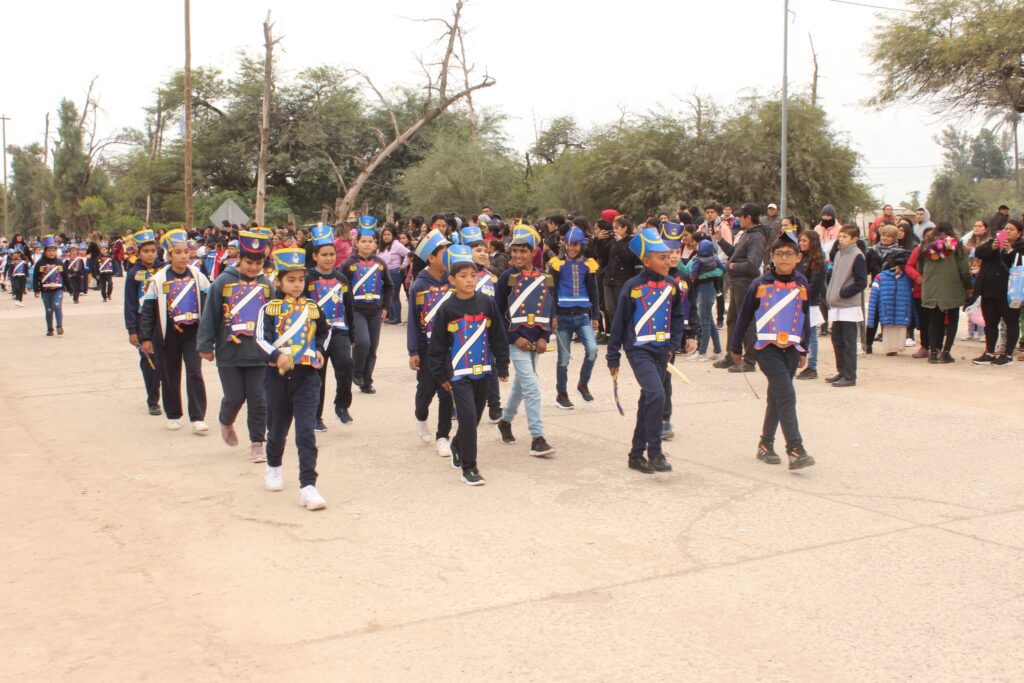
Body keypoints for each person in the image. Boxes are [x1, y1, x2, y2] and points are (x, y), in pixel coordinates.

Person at [606, 227, 693, 474]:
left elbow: (677, 316)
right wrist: (613, 354)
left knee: (648, 400)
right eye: (662, 258)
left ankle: (636, 455)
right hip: (638, 350)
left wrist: (673, 345)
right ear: (646, 261)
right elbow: (619, 322)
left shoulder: (672, 286)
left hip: (662, 350)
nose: (668, 261)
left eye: (669, 256)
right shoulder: (632, 286)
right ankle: (655, 452)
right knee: (656, 395)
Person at [730, 235, 815, 470]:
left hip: (792, 349)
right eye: (779, 254)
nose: (784, 258)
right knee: (787, 395)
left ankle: (765, 444)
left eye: (789, 254)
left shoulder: (802, 283)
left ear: (798, 257)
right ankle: (795, 449)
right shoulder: (759, 284)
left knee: (777, 398)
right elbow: (743, 316)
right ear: (772, 257)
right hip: (767, 349)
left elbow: (805, 317)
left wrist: (804, 348)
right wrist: (735, 346)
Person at [427, 246, 511, 486]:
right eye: (463, 276)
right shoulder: (447, 308)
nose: (469, 280)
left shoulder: (487, 303)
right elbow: (438, 346)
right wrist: (441, 375)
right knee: (467, 416)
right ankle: (469, 467)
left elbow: (498, 336)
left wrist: (502, 365)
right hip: (458, 374)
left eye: (473, 275)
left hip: (483, 371)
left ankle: (456, 444)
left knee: (473, 418)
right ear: (452, 280)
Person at [255, 247, 330, 511]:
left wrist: (319, 351)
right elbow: (260, 339)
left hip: (307, 376)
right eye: (291, 280)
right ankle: (274, 465)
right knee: (277, 429)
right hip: (277, 377)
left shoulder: (313, 307)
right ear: (278, 282)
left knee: (306, 431)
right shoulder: (269, 309)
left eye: (300, 279)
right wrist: (277, 355)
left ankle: (308, 486)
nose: (297, 285)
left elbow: (325, 333)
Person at [197, 230, 274, 462]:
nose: (253, 267)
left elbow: (275, 319)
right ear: (239, 258)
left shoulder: (267, 286)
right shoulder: (223, 281)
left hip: (258, 353)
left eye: (258, 263)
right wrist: (205, 344)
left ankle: (257, 442)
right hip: (229, 351)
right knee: (234, 397)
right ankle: (226, 420)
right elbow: (210, 314)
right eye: (249, 262)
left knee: (259, 400)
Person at [139, 229, 211, 433]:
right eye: (178, 252)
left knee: (194, 372)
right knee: (170, 374)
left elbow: (208, 304)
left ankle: (198, 417)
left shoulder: (198, 276)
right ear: (169, 255)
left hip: (192, 333)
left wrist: (209, 334)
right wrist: (145, 338)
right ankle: (173, 415)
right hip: (167, 334)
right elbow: (148, 311)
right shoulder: (158, 279)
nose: (183, 256)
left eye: (186, 252)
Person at [495, 225, 556, 457]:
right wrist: (514, 338)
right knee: (531, 386)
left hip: (536, 340)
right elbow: (498, 313)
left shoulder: (546, 278)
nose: (518, 255)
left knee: (521, 385)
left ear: (533, 253)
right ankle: (537, 438)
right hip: (515, 341)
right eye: (515, 251)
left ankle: (505, 421)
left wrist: (544, 337)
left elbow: (549, 309)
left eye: (523, 251)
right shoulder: (506, 278)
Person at [407, 228, 456, 456]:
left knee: (447, 392)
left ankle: (443, 436)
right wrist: (413, 350)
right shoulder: (419, 285)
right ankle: (421, 417)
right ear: (431, 257)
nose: (449, 256)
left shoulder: (454, 280)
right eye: (444, 253)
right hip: (427, 350)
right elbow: (413, 321)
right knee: (426, 391)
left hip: (451, 348)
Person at [306, 224, 355, 428]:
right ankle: (316, 416)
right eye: (324, 254)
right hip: (315, 334)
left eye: (332, 254)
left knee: (346, 365)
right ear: (315, 256)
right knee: (317, 375)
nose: (328, 258)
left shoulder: (341, 279)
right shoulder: (307, 278)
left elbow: (349, 307)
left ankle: (342, 405)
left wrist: (352, 334)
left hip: (338, 331)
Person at [714, 203, 772, 372]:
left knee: (746, 321)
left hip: (746, 284)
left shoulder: (757, 237)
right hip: (737, 283)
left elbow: (752, 265)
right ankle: (732, 355)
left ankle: (750, 360)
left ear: (749, 218)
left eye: (741, 216)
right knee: (733, 319)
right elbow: (735, 253)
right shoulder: (747, 234)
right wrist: (721, 241)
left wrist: (732, 266)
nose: (738, 219)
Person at [547, 225, 600, 409]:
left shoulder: (588, 264)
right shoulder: (557, 264)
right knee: (563, 358)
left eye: (575, 245)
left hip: (582, 315)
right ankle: (561, 394)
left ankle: (583, 383)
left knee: (593, 350)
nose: (571, 248)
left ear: (581, 245)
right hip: (562, 317)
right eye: (569, 244)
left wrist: (595, 316)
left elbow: (594, 292)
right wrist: (552, 315)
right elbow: (551, 291)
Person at [341, 216, 393, 395]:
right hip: (357, 310)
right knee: (362, 342)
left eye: (370, 241)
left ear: (375, 243)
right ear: (356, 243)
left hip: (375, 311)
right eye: (363, 241)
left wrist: (385, 307)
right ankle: (356, 372)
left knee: (372, 347)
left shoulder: (380, 263)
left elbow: (389, 286)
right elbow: (341, 287)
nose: (367, 244)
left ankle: (367, 380)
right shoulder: (348, 264)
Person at [461, 223, 504, 422]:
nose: (483, 254)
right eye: (478, 250)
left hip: (487, 330)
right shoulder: (458, 277)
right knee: (462, 367)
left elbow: (499, 305)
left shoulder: (492, 277)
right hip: (463, 330)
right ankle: (460, 403)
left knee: (491, 367)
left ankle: (494, 405)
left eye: (485, 250)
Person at [971, 219, 1024, 366]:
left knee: (1011, 322)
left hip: (1009, 293)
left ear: (1019, 233)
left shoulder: (1021, 247)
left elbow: (1020, 263)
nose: (1007, 232)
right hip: (989, 290)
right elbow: (979, 252)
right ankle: (989, 353)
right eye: (1006, 229)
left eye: (1011, 229)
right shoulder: (993, 242)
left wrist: (1010, 250)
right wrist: (993, 247)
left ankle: (1007, 355)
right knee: (990, 323)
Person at [124, 229, 164, 415]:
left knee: (166, 363)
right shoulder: (134, 273)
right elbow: (130, 303)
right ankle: (153, 400)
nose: (150, 254)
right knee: (149, 363)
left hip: (164, 322)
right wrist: (132, 330)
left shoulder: (165, 270)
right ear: (138, 253)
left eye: (153, 251)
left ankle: (169, 396)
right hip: (144, 325)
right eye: (146, 251)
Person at [918, 223, 970, 364]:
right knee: (952, 320)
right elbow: (964, 269)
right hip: (951, 287)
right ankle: (946, 353)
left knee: (934, 321)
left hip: (931, 288)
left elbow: (920, 267)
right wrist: (968, 285)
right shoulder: (955, 244)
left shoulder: (926, 245)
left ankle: (933, 353)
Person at [825, 224, 868, 387]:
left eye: (845, 237)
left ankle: (850, 376)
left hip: (848, 305)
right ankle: (841, 371)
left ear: (854, 239)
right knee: (837, 339)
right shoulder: (838, 254)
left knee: (849, 341)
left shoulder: (857, 255)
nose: (841, 239)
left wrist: (844, 292)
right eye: (840, 236)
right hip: (837, 304)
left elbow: (861, 282)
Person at [866, 248, 913, 356]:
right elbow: (873, 301)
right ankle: (869, 344)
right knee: (879, 320)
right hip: (885, 307)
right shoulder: (881, 277)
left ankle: (892, 347)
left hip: (897, 308)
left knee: (896, 327)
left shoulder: (907, 278)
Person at [684, 237, 725, 360]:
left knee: (704, 322)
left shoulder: (697, 260)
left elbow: (692, 274)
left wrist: (693, 279)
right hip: (711, 289)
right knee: (709, 321)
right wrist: (714, 272)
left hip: (703, 290)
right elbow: (724, 269)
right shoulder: (715, 257)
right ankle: (718, 351)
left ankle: (702, 352)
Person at [795, 230, 826, 379]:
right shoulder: (800, 257)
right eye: (800, 240)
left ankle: (812, 366)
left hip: (810, 302)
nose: (801, 243)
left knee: (811, 334)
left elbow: (816, 284)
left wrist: (803, 294)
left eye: (804, 241)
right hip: (797, 299)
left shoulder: (817, 260)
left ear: (812, 242)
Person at [32, 235, 69, 337]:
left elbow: (65, 276)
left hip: (58, 289)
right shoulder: (40, 263)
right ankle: (50, 329)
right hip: (45, 290)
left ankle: (59, 326)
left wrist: (70, 288)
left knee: (57, 306)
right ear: (45, 252)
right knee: (48, 310)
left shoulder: (59, 263)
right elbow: (36, 277)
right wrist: (36, 289)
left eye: (53, 251)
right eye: (49, 251)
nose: (51, 253)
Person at [378, 225, 410, 324]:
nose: (386, 236)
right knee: (387, 295)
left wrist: (404, 265)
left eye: (389, 234)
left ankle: (397, 318)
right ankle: (391, 317)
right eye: (384, 235)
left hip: (395, 272)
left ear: (393, 236)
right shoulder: (382, 247)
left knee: (394, 295)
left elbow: (409, 253)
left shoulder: (397, 245)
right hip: (384, 273)